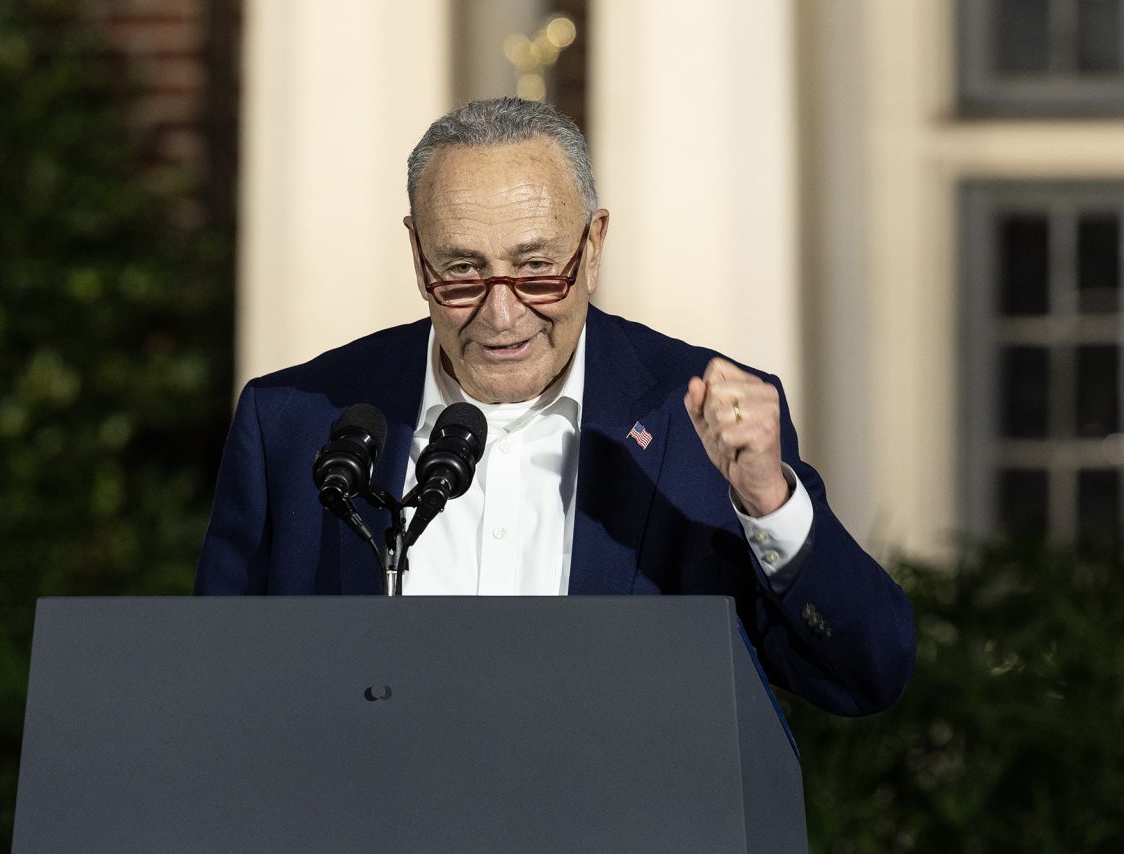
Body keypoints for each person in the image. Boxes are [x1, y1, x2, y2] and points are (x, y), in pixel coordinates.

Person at [195, 97, 914, 716]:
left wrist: (768, 502)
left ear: (593, 246)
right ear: (417, 257)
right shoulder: (293, 421)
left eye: (538, 267)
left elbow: (866, 673)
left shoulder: (693, 421)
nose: (502, 315)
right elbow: (216, 695)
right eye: (462, 270)